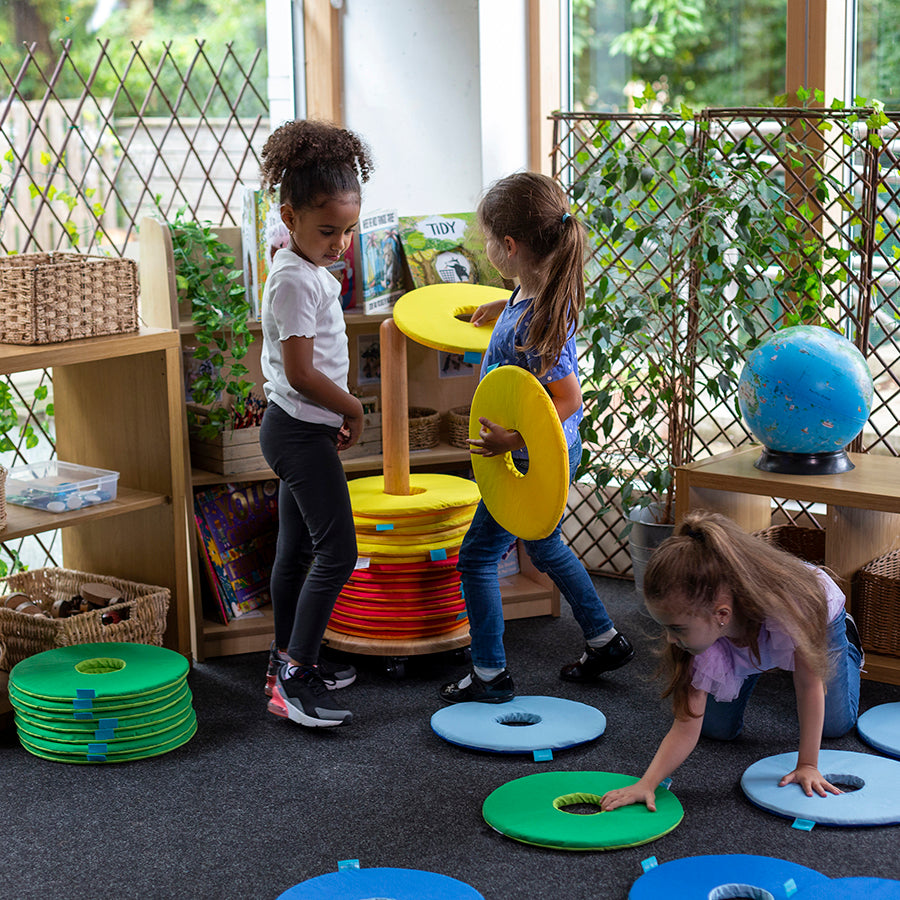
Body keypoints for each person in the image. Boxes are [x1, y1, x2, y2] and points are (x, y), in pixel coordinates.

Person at [440, 171, 635, 704]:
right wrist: (501, 307)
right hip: (542, 446)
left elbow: (568, 398)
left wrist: (511, 440)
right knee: (544, 541)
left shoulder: (535, 318)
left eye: (487, 241)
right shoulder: (537, 291)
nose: (485, 249)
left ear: (509, 246)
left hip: (529, 452)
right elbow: (528, 316)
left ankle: (489, 673)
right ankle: (604, 639)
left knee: (477, 557)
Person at [600, 510, 864, 812]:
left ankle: (848, 647)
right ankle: (749, 662)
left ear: (721, 615)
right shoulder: (699, 624)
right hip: (737, 630)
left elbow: (808, 685)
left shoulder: (793, 609)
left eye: (676, 629)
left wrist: (807, 764)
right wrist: (646, 783)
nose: (670, 639)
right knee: (717, 729)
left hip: (815, 612)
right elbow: (686, 726)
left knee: (834, 725)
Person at [257, 119, 373, 728]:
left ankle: (285, 661)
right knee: (338, 550)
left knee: (297, 548)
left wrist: (336, 410)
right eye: (328, 230)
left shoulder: (303, 272)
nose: (340, 242)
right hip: (300, 430)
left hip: (297, 427)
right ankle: (294, 677)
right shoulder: (295, 282)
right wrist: (352, 407)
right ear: (290, 215)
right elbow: (302, 371)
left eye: (349, 230)